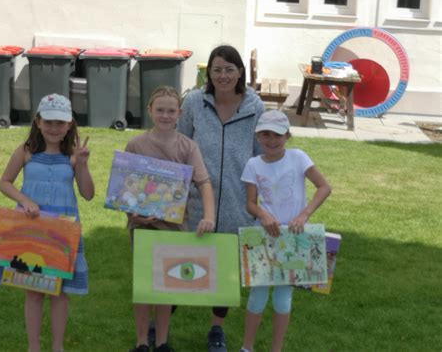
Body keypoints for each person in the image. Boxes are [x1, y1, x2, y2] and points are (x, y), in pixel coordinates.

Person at [177, 44, 265, 351]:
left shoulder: (256, 107)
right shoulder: (193, 103)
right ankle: (159, 323)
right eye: (217, 70)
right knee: (181, 259)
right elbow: (180, 144)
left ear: (240, 71)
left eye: (229, 69)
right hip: (195, 198)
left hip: (238, 201)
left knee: (226, 270)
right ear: (208, 73)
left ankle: (217, 329)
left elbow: (260, 157)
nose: (223, 76)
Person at [0, 93, 95, 352]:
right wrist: (24, 199)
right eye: (48, 122)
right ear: (38, 122)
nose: (53, 128)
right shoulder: (26, 151)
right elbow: (4, 182)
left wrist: (82, 165)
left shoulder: (73, 155)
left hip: (62, 230)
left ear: (69, 124)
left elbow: (87, 193)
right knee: (34, 289)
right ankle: (33, 347)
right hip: (32, 228)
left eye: (60, 123)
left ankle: (57, 346)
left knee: (59, 291)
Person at [126, 86, 216, 352]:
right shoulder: (136, 144)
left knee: (167, 284)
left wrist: (209, 216)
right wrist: (132, 214)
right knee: (143, 286)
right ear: (150, 110)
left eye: (171, 111)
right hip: (141, 229)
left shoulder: (188, 146)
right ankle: (142, 341)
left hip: (174, 228)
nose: (165, 115)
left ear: (180, 113)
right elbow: (125, 187)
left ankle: (162, 341)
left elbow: (204, 182)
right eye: (160, 110)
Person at [239, 110, 331, 352]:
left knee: (283, 299)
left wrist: (304, 214)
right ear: (258, 136)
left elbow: (323, 186)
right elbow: (250, 202)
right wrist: (263, 214)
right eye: (265, 134)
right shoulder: (253, 164)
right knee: (257, 297)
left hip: (293, 239)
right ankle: (246, 347)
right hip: (263, 238)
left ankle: (276, 349)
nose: (271, 140)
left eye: (277, 135)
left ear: (287, 135)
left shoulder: (298, 157)